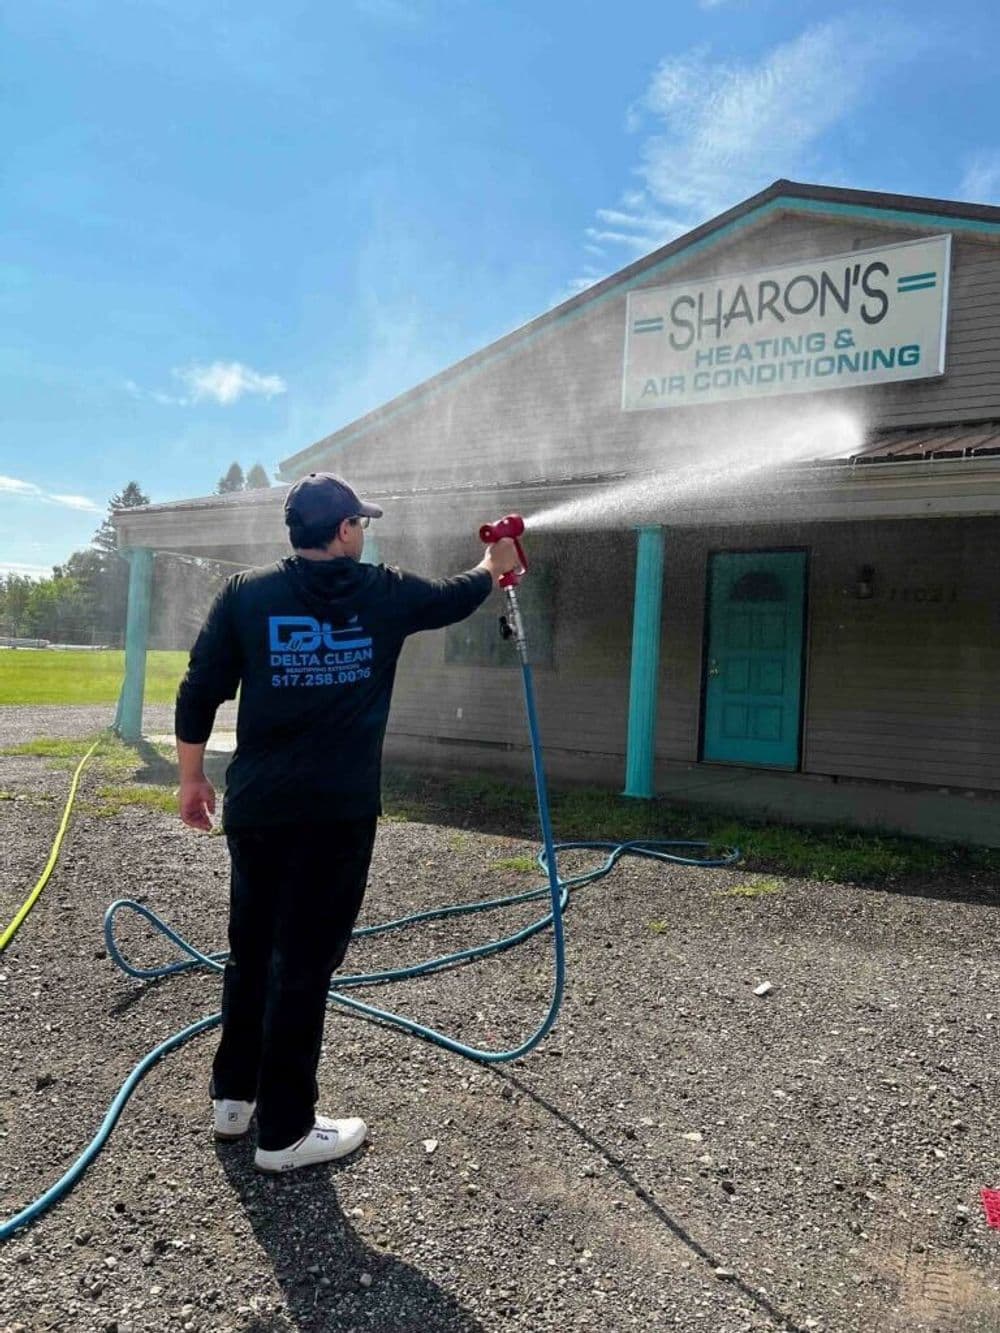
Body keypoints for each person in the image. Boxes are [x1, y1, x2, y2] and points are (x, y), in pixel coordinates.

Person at [174, 472, 519, 1174]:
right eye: (359, 521)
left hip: (260, 808)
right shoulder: (380, 592)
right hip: (334, 816)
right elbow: (457, 595)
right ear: (341, 532)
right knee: (302, 963)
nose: (365, 531)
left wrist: (189, 777)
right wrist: (496, 563)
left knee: (252, 950)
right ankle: (287, 1131)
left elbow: (199, 684)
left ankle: (234, 1099)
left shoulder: (248, 594)